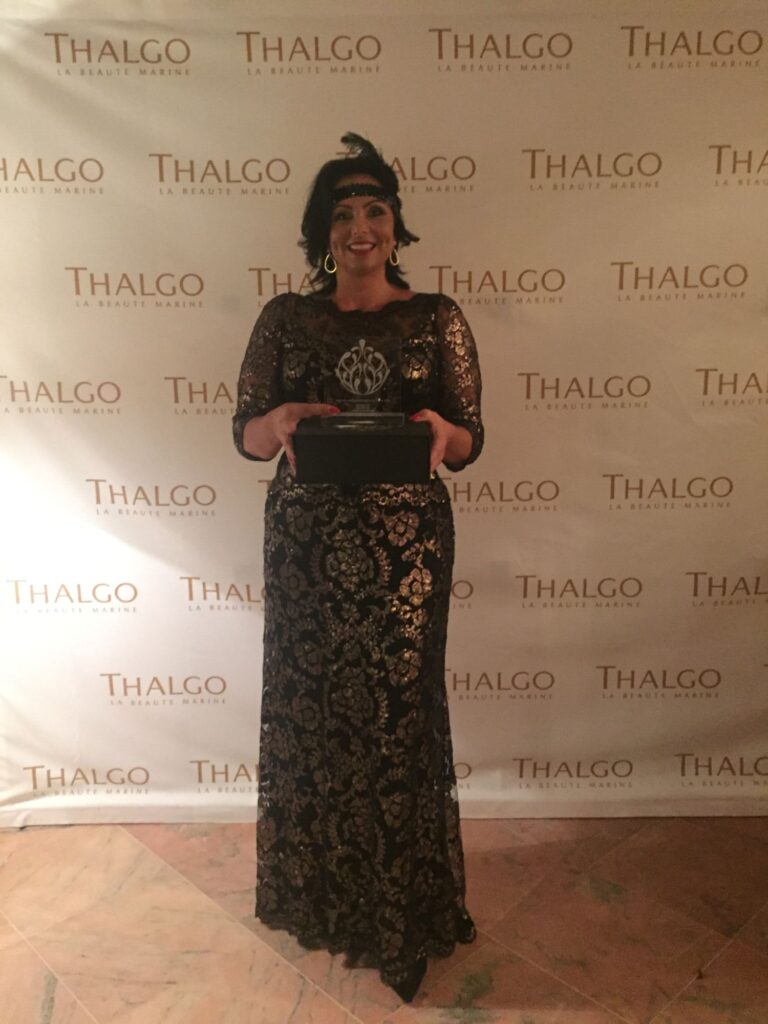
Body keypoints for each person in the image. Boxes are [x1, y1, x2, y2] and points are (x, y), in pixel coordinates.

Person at [232, 132, 483, 1003]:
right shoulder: (285, 319)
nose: (360, 227)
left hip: (407, 549)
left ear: (396, 225)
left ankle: (401, 914)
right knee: (314, 713)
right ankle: (325, 895)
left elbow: (469, 441)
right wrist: (282, 422)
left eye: (375, 209)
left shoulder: (437, 319)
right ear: (322, 232)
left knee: (398, 718)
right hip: (306, 545)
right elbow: (246, 436)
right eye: (342, 214)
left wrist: (440, 432)